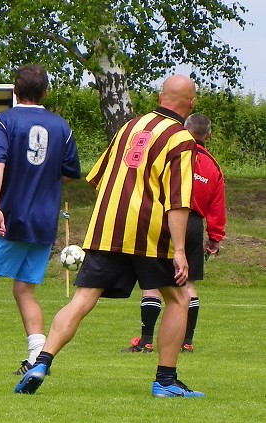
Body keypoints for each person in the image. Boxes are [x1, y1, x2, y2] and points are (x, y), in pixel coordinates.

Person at [15, 74, 204, 398]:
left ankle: (42, 361)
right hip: (149, 231)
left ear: (160, 96)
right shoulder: (182, 140)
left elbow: (97, 178)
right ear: (192, 102)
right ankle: (166, 380)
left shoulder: (128, 128)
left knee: (83, 299)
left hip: (106, 227)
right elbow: (178, 201)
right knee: (179, 299)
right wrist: (179, 250)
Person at [0, 64, 81, 376]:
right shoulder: (61, 127)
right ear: (46, 92)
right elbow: (69, 173)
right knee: (25, 291)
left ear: (15, 90)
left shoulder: (3, 121)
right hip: (44, 220)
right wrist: (43, 179)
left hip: (11, 217)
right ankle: (38, 358)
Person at [122, 113, 226, 354]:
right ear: (208, 136)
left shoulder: (171, 153)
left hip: (166, 219)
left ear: (182, 129)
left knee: (152, 281)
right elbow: (217, 206)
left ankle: (147, 340)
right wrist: (215, 237)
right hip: (193, 226)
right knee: (186, 282)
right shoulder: (213, 166)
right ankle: (186, 341)